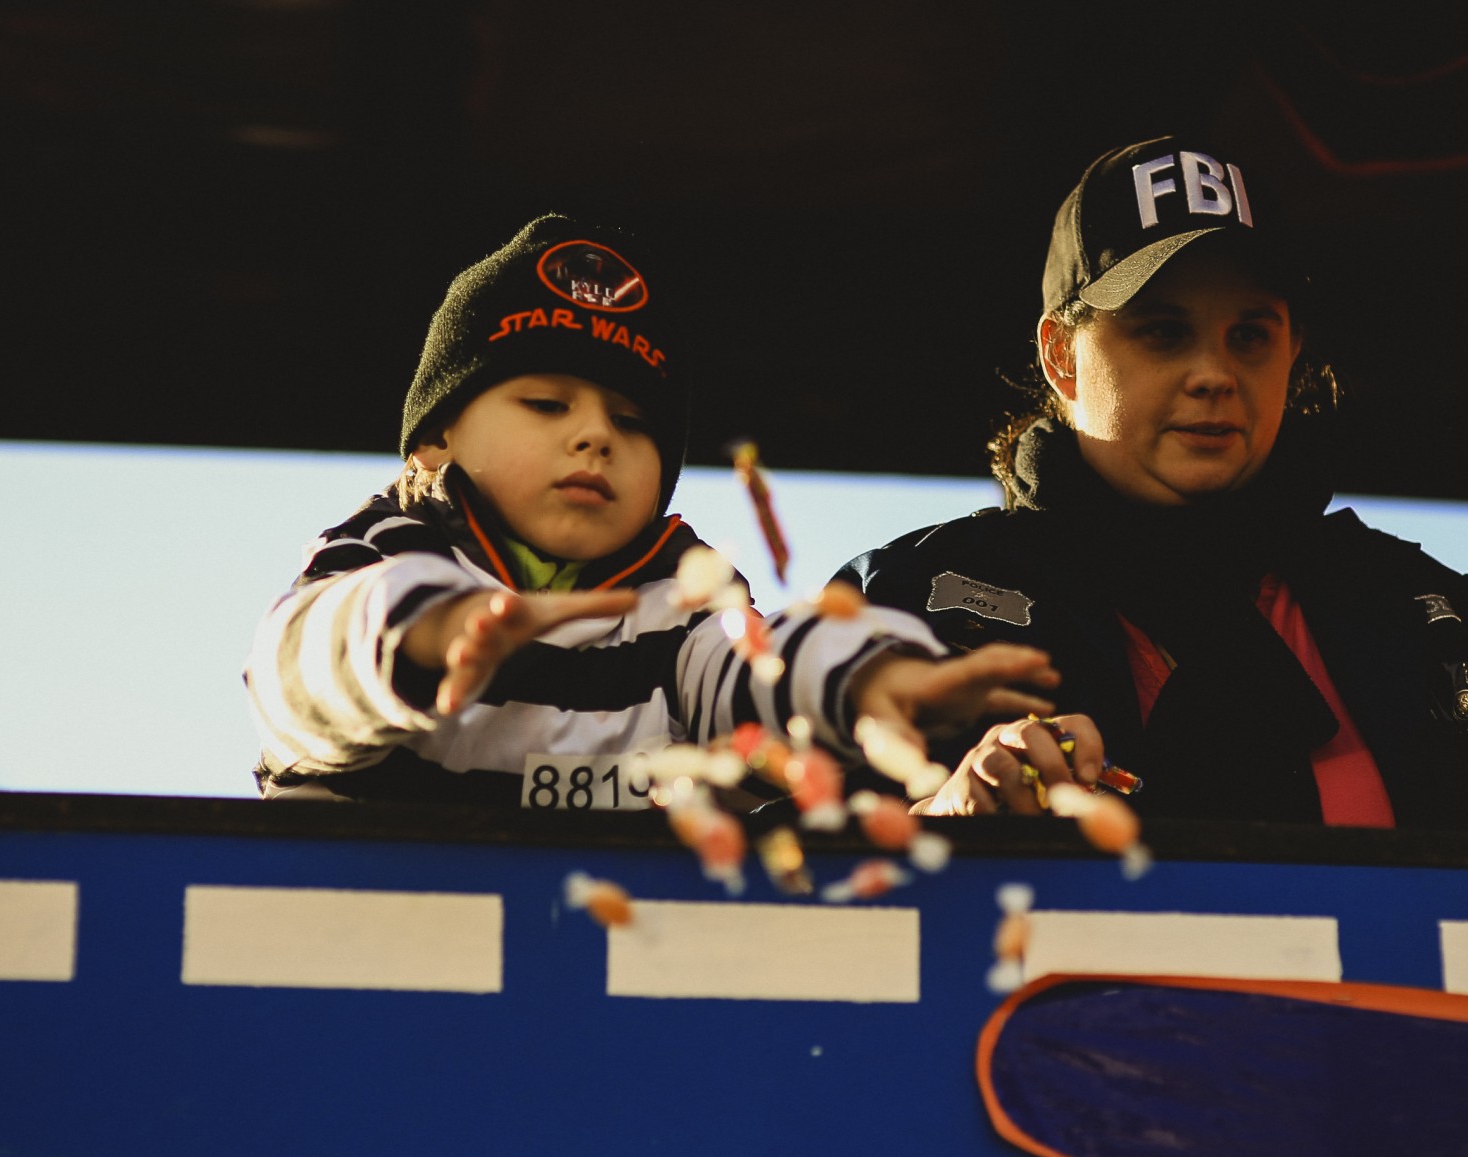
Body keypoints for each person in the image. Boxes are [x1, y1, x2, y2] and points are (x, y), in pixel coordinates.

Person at [838, 138, 1468, 832]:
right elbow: (755, 879)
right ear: (1061, 357)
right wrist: (942, 820)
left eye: (1249, 334)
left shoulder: (1433, 619)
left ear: (1293, 350)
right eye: (1162, 331)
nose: (1214, 373)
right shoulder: (904, 603)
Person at [246, 214, 1055, 805]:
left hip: (587, 974)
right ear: (436, 439)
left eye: (634, 425)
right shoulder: (387, 549)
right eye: (546, 403)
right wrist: (420, 631)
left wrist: (866, 679)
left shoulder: (680, 594)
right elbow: (291, 673)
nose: (595, 435)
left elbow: (748, 671)